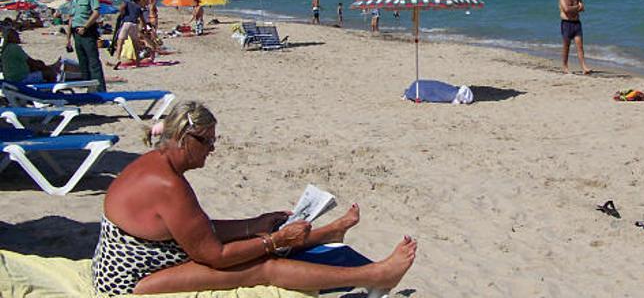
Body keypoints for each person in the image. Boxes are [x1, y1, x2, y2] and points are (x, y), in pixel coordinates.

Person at [92, 101, 417, 295]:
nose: (212, 149)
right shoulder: (167, 186)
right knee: (264, 266)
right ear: (184, 140)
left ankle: (328, 234)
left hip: (152, 254)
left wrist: (255, 225)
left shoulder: (158, 166)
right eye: (207, 142)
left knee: (260, 236)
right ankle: (375, 275)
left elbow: (194, 228)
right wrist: (273, 240)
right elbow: (214, 254)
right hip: (129, 279)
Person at [65, 0, 106, 92]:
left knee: (93, 62)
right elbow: (71, 19)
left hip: (87, 32)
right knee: (83, 63)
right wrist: (68, 39)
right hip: (76, 33)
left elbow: (96, 12)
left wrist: (85, 26)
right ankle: (89, 88)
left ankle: (100, 89)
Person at [558, 0, 590, 74]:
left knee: (580, 47)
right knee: (566, 47)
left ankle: (584, 68)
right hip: (566, 24)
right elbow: (566, 10)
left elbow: (583, 8)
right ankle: (565, 67)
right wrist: (577, 7)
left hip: (577, 23)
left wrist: (575, 8)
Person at [112, 0, 148, 69]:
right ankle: (138, 62)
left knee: (120, 42)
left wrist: (122, 13)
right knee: (135, 44)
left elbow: (122, 6)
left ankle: (117, 59)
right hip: (135, 24)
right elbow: (143, 20)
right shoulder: (138, 8)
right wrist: (145, 29)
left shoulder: (127, 3)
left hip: (127, 23)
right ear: (137, 1)